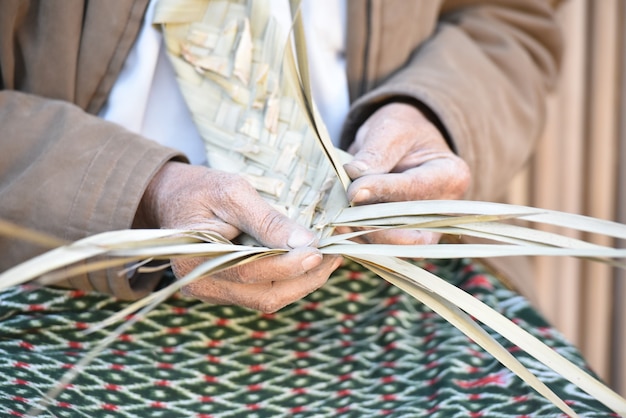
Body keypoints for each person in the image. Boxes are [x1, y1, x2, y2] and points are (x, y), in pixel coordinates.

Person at [0, 0, 615, 417]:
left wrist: (433, 113)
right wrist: (139, 192)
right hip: (58, 265)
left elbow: (505, 20)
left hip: (388, 270)